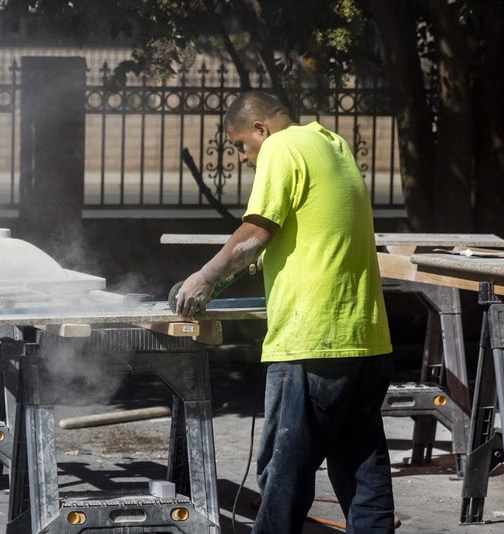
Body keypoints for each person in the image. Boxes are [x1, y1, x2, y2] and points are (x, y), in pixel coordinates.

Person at [175, 90, 395, 533]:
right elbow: (310, 228)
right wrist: (235, 270)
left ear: (261, 129)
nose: (241, 156)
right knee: (362, 469)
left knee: (284, 472)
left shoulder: (280, 146)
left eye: (241, 144)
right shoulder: (331, 144)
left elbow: (257, 230)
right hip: (368, 338)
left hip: (314, 340)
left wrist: (204, 278)